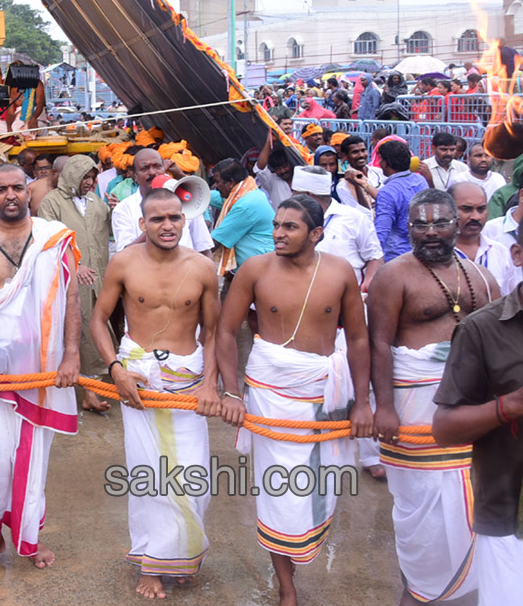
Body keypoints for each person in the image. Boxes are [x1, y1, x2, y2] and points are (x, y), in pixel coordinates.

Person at [217, 195, 374, 606]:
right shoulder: (254, 269)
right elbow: (225, 332)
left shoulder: (340, 272)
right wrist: (231, 392)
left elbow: (357, 337)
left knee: (321, 487)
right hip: (270, 395)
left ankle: (304, 547)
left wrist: (362, 403)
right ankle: (286, 587)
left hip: (325, 392)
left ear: (316, 234)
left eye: (290, 227)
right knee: (277, 493)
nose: (278, 234)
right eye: (277, 225)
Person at [89, 188, 220, 599]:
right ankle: (151, 562)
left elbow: (214, 332)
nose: (168, 226)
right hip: (138, 381)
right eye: (158, 219)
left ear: (186, 220)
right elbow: (99, 320)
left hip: (188, 379)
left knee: (193, 478)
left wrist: (211, 383)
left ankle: (180, 553)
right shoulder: (124, 262)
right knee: (148, 475)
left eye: (175, 218)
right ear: (142, 223)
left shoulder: (202, 267)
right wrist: (115, 371)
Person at [0, 164, 80, 575]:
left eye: (18, 188)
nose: (11, 195)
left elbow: (71, 300)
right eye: (2, 189)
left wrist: (72, 355)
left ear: (29, 192)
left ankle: (30, 535)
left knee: (31, 460)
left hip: (39, 375)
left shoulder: (53, 238)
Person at [368, 190, 487, 604]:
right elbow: (377, 344)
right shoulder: (393, 275)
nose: (431, 232)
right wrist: (382, 407)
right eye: (420, 224)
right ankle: (419, 594)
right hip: (415, 411)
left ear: (458, 224)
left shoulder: (478, 275)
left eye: (440, 223)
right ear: (409, 228)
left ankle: (465, 593)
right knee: (424, 518)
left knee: (471, 509)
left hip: (470, 411)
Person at [432, 232, 523, 600]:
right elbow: (444, 429)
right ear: (517, 254)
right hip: (507, 518)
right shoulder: (482, 329)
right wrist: (509, 406)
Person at [37, 154, 113, 413]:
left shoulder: (96, 202)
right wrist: (74, 265)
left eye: (92, 177)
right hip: (68, 280)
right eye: (85, 177)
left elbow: (109, 233)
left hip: (100, 280)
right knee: (76, 331)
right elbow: (48, 241)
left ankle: (93, 386)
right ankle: (88, 389)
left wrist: (116, 209)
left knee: (99, 327)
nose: (89, 182)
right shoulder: (52, 203)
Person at [111, 149, 212, 256]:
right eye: (145, 168)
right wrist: (152, 229)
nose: (152, 172)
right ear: (135, 176)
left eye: (157, 166)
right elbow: (125, 255)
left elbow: (204, 249)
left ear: (164, 170)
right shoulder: (123, 210)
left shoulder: (186, 203)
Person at [210, 158, 275, 278]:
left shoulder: (245, 205)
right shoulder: (246, 192)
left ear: (230, 182)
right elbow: (214, 197)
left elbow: (215, 241)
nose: (215, 186)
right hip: (256, 267)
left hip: (260, 272)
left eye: (217, 182)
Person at [451, 180, 520, 292]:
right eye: (467, 209)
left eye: (481, 209)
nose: (476, 217)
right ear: (448, 210)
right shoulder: (436, 254)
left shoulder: (501, 253)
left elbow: (511, 301)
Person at [374, 140, 431, 262]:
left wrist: (372, 260)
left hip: (396, 256)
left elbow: (382, 231)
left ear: (385, 163)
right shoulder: (421, 181)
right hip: (423, 250)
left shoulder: (387, 192)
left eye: (381, 160)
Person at [336, 134, 384, 213]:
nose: (361, 155)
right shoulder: (343, 186)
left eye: (363, 150)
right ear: (346, 156)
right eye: (355, 152)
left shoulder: (379, 172)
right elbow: (357, 213)